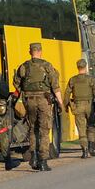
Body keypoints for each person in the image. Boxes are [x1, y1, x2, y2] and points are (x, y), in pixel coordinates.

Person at [13, 42, 63, 171]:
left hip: (29, 101)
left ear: (30, 52)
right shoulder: (47, 66)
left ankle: (34, 156)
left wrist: (25, 92)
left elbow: (17, 83)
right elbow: (55, 86)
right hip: (44, 101)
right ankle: (43, 161)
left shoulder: (24, 66)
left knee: (32, 129)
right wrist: (61, 102)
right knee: (44, 130)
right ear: (41, 51)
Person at [63, 59, 95, 158]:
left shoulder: (73, 80)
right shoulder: (91, 79)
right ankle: (91, 147)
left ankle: (85, 151)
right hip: (89, 105)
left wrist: (65, 105)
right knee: (91, 126)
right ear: (86, 66)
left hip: (78, 106)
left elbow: (67, 93)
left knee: (81, 129)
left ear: (77, 67)